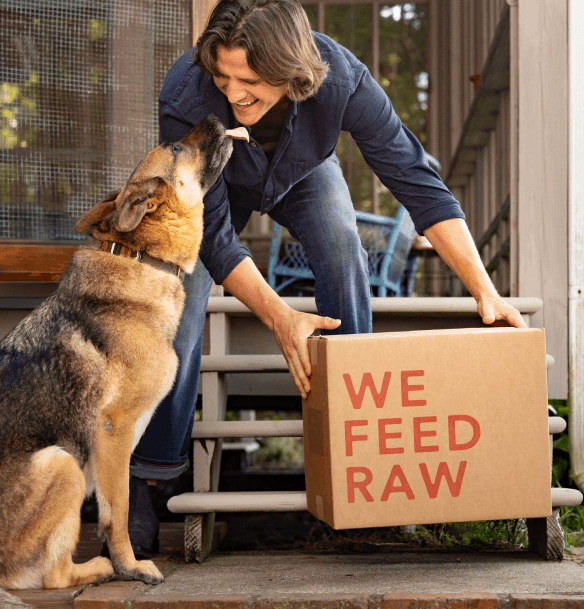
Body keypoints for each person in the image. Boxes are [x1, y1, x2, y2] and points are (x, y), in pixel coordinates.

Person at [122, 0, 527, 557]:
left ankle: (354, 452)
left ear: (292, 73)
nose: (235, 93)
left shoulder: (343, 80)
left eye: (252, 81)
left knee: (342, 242)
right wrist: (280, 317)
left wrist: (485, 291)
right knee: (181, 291)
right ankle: (146, 475)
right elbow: (212, 236)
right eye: (224, 76)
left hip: (302, 172)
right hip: (213, 188)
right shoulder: (186, 95)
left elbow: (416, 181)